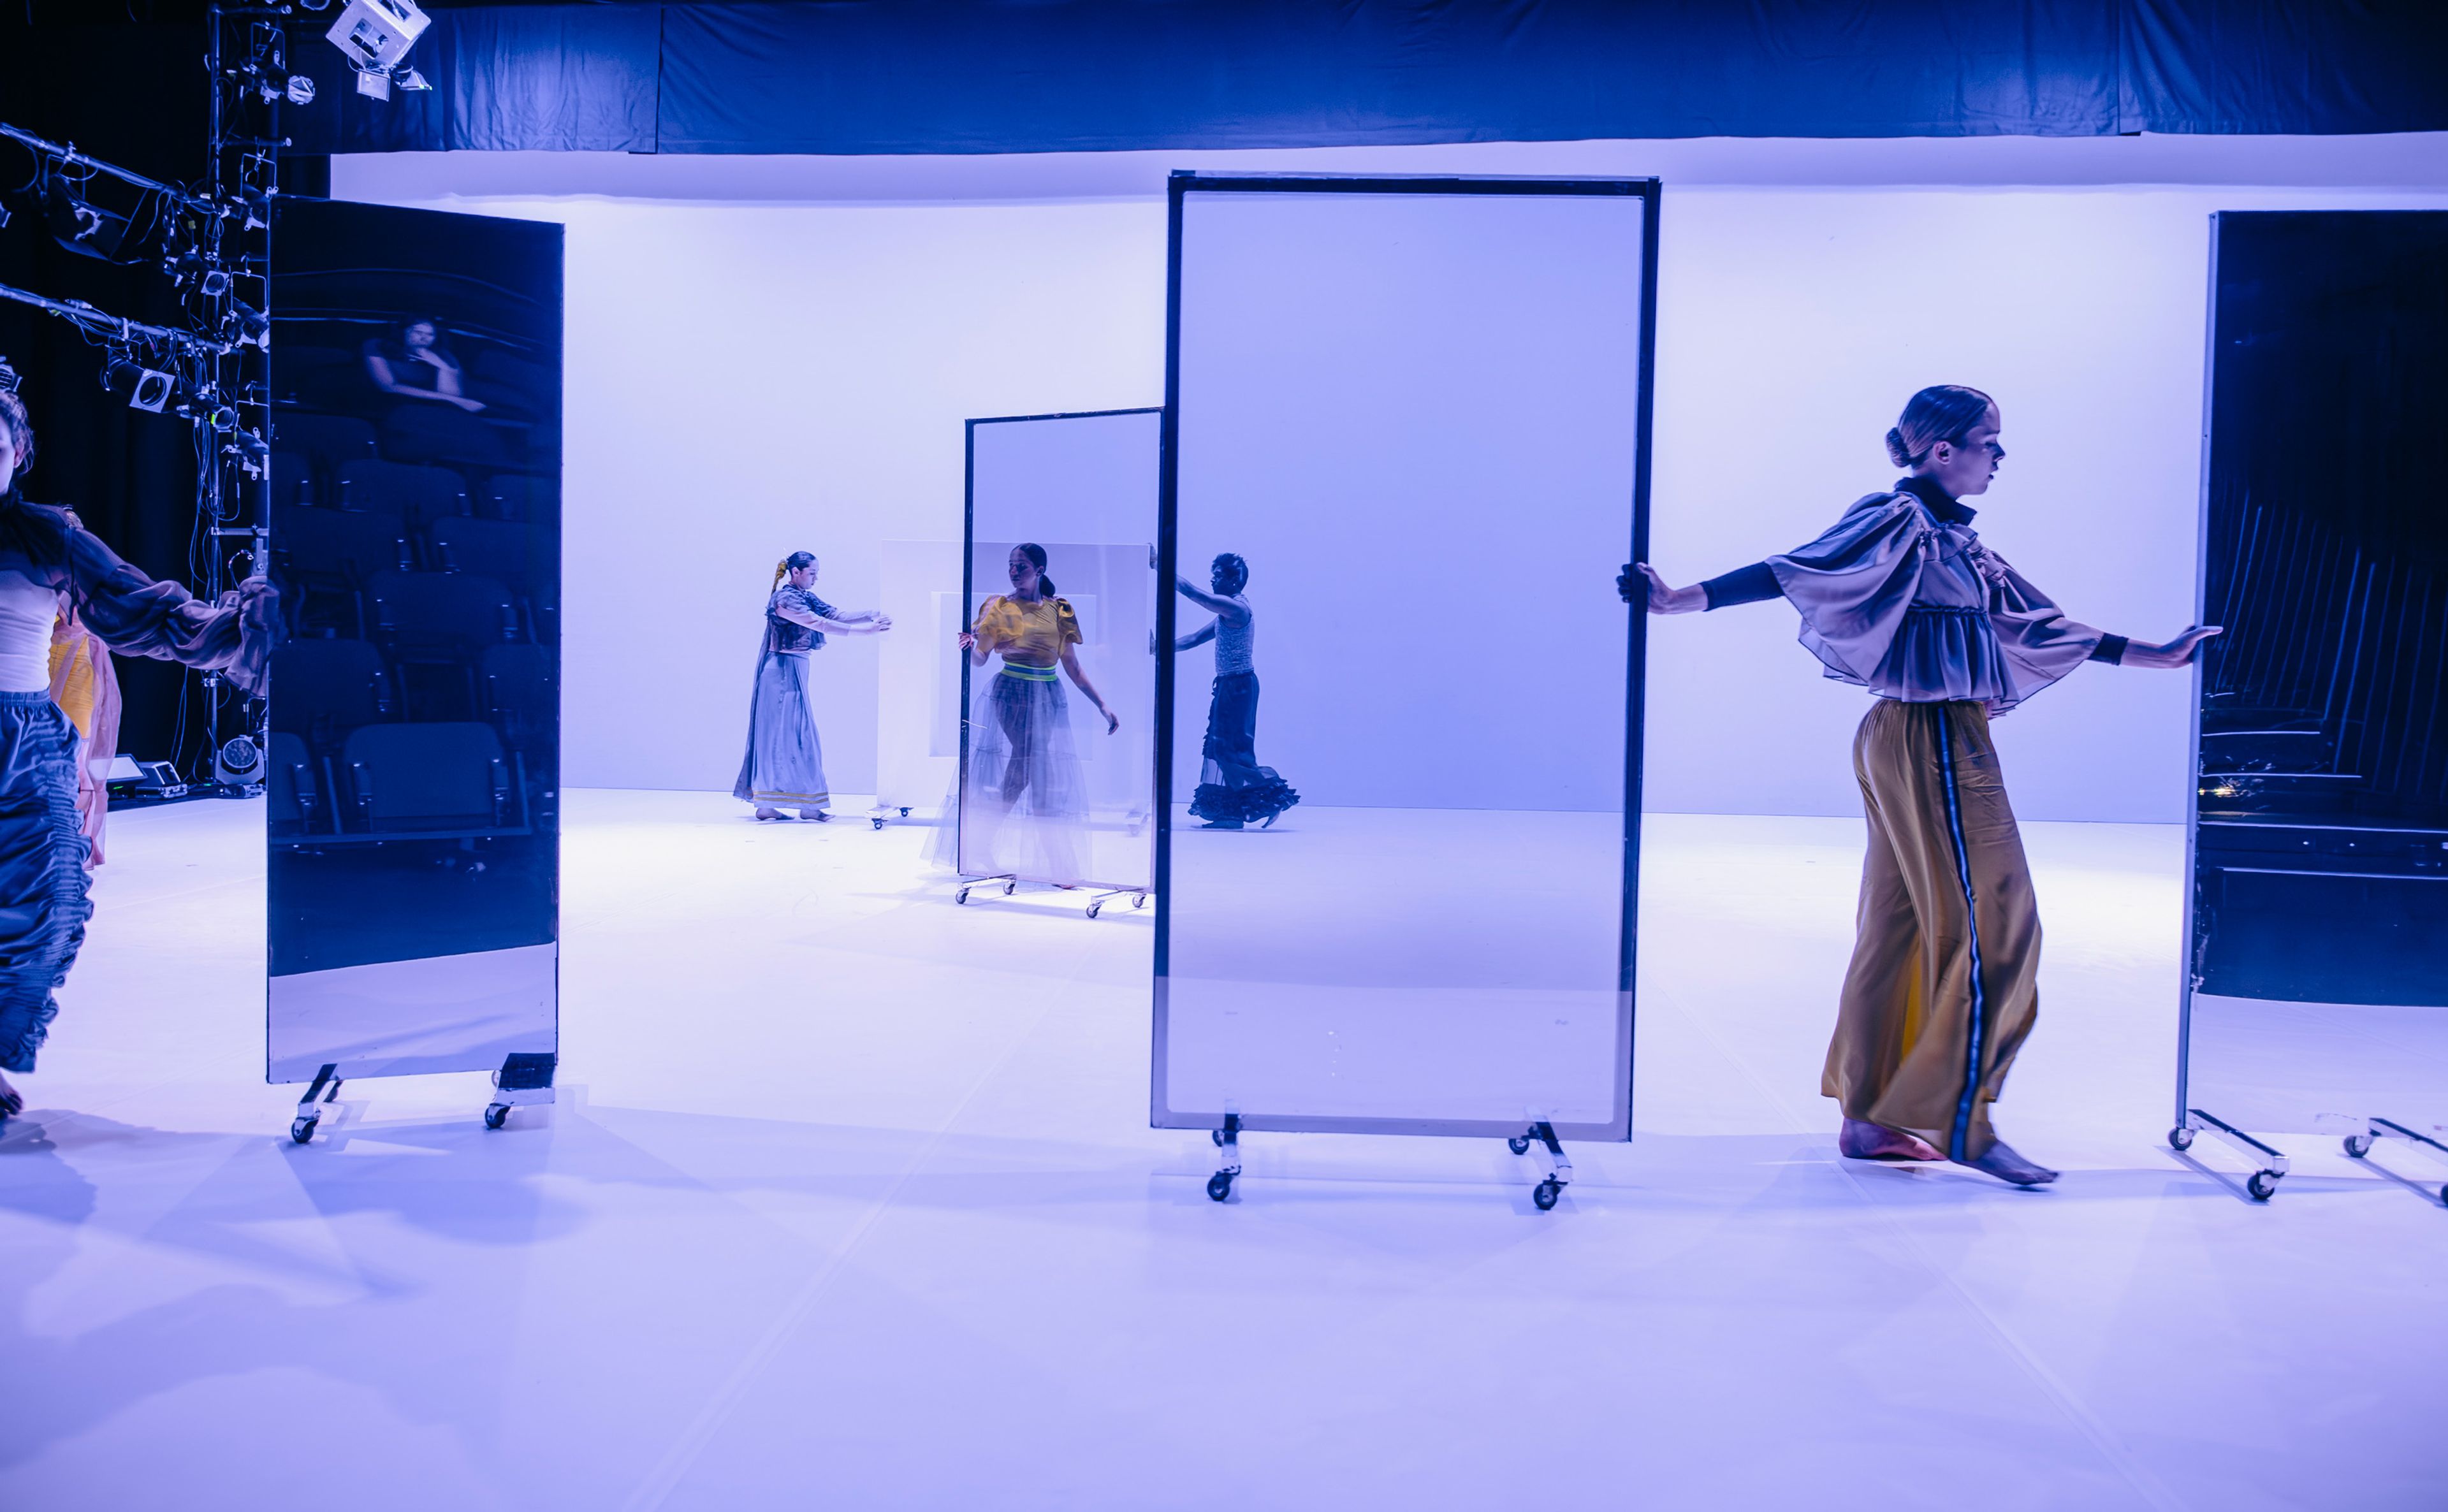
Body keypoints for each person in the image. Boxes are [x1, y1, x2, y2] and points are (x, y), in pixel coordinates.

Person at [1624, 385, 2219, 1186]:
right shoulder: (1902, 519)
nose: (1999, 456)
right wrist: (1680, 600)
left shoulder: (1954, 541)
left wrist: (2155, 653)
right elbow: (1799, 567)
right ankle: (1962, 1119)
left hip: (1912, 736)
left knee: (1899, 926)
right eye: (1988, 441)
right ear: (1940, 450)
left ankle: (1870, 1119)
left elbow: (2034, 625)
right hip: (1932, 738)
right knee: (1999, 928)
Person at [0, 386, 275, 1118]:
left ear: (18, 455)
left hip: (24, 741)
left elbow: (141, 606)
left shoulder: (46, 536)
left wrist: (232, 627)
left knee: (47, 904)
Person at [942, 542, 1116, 884]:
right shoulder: (1001, 608)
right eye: (1010, 565)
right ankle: (1055, 863)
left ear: (1039, 570)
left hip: (1048, 695)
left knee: (1023, 773)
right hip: (1012, 693)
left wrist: (1102, 704)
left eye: (1020, 565)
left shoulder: (1059, 610)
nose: (1013, 571)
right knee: (1037, 768)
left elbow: (1072, 666)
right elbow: (981, 658)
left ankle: (982, 842)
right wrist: (968, 650)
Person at [735, 551, 889, 822]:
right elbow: (818, 623)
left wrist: (873, 615)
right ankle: (790, 805)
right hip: (781, 671)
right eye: (812, 573)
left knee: (791, 737)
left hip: (794, 668)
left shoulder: (804, 596)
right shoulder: (785, 599)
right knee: (791, 737)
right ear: (797, 573)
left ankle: (781, 805)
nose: (816, 578)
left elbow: (834, 614)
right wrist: (866, 632)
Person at [1174, 552, 1299, 829]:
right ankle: (1231, 812)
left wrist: (1161, 566)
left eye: (1218, 575)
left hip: (1239, 686)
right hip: (1229, 685)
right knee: (1220, 748)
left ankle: (1271, 796)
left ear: (1234, 581)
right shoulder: (1225, 614)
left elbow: (1195, 594)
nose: (1213, 579)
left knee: (1232, 750)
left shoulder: (1238, 609)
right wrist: (1157, 647)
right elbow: (1194, 638)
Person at [47, 598, 120, 867]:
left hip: (78, 676)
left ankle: (79, 846)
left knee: (75, 764)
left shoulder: (79, 585)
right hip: (41, 676)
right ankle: (56, 845)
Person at [360, 317, 484, 414]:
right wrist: (454, 400)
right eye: (418, 332)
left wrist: (443, 368)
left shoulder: (443, 355)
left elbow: (453, 399)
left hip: (431, 412)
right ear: (405, 331)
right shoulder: (377, 345)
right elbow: (388, 386)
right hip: (385, 408)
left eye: (430, 334)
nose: (424, 338)